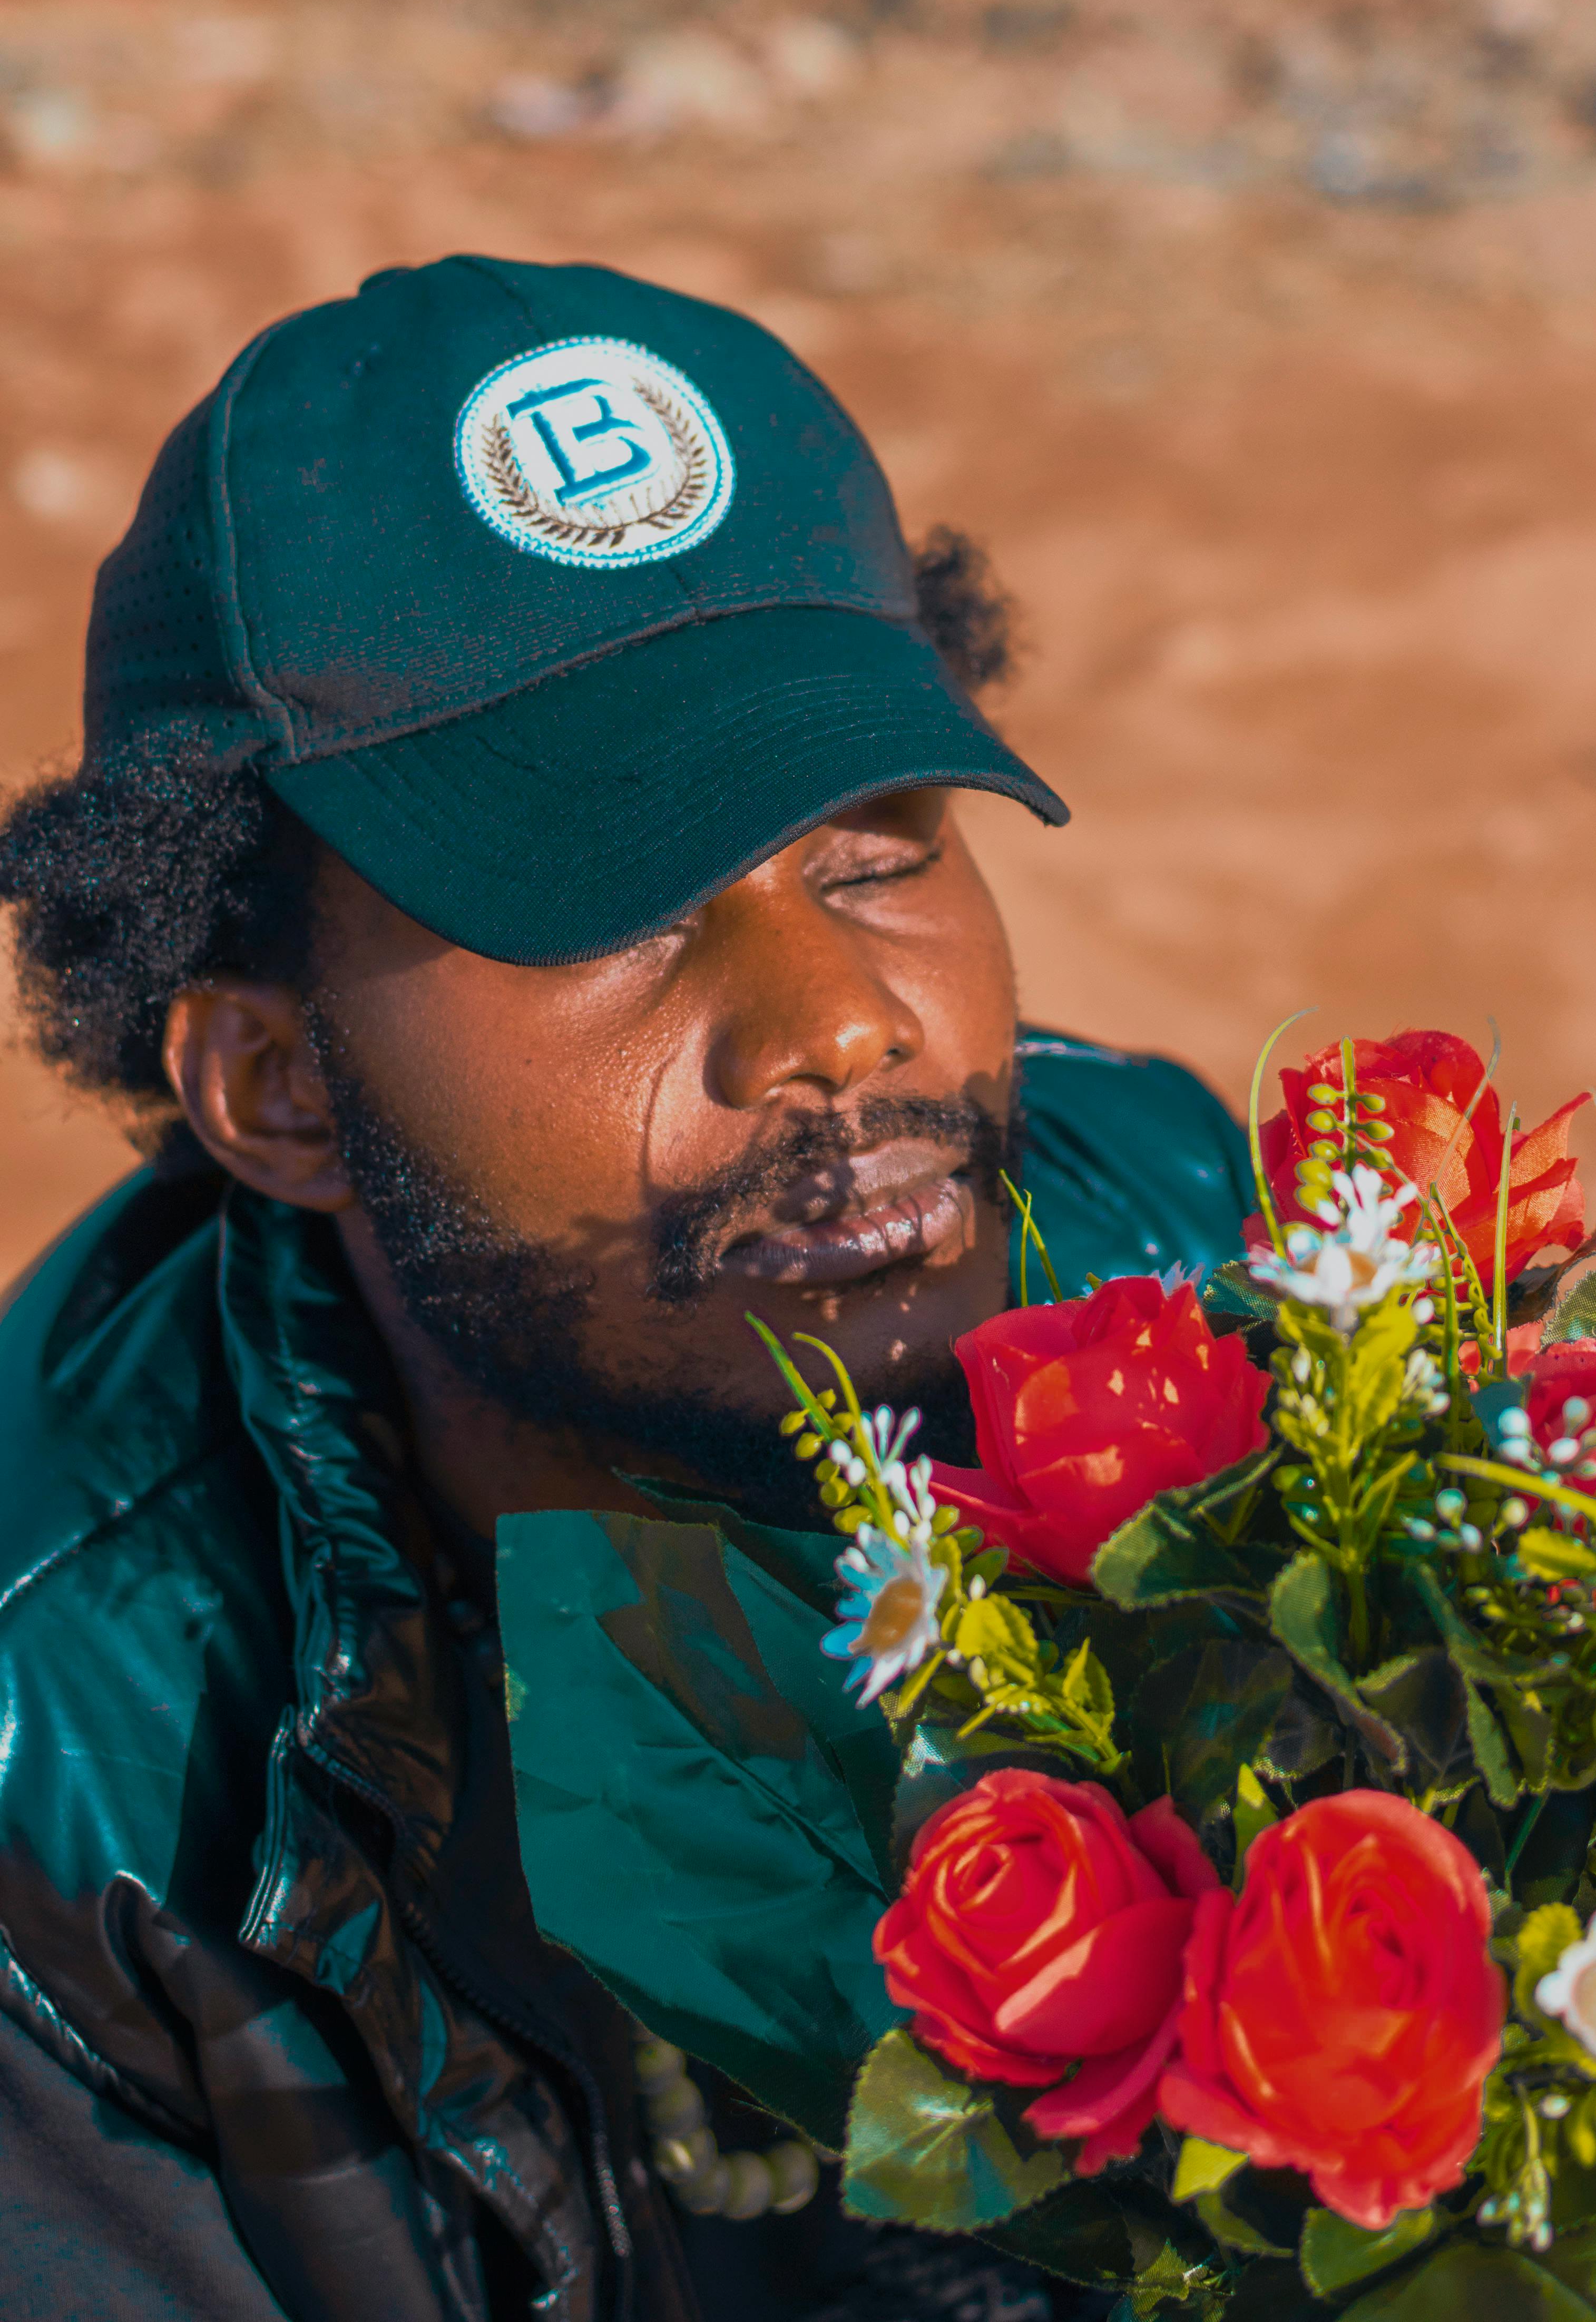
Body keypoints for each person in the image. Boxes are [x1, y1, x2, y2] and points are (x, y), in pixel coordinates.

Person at [0, 256, 1254, 2322]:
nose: (842, 1028)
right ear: (278, 1086)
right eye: (617, 911)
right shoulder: (76, 1773)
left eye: (871, 850)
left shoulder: (1187, 1269)